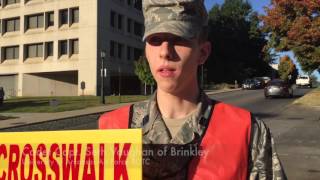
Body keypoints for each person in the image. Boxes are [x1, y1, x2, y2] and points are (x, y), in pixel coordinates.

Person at [99, 0, 287, 179]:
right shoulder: (110, 128)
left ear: (203, 52)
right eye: (155, 40)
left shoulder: (248, 132)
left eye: (178, 38)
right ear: (146, 50)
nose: (165, 52)